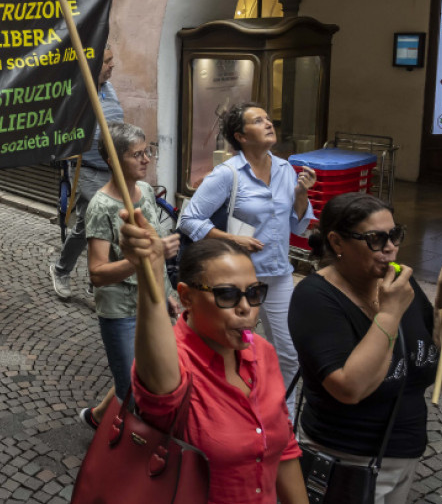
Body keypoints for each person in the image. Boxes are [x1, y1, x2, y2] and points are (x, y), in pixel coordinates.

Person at [288, 193, 442, 503]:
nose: (390, 247)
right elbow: (350, 388)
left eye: (394, 235)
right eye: (375, 238)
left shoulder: (399, 281)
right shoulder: (315, 298)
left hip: (403, 453)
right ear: (337, 242)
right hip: (345, 459)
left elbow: (430, 353)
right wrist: (388, 315)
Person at [119, 214, 308, 504]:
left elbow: (284, 448)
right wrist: (151, 274)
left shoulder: (262, 351)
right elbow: (160, 379)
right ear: (186, 297)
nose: (246, 308)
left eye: (253, 293)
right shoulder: (177, 364)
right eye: (227, 295)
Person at [179, 101, 316, 400]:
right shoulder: (228, 174)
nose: (269, 123)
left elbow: (298, 226)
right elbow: (188, 219)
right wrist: (232, 239)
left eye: (269, 119)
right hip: (236, 280)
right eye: (258, 121)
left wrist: (301, 195)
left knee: (290, 353)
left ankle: (284, 418)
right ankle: (233, 410)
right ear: (240, 136)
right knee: (233, 349)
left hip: (278, 275)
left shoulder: (285, 169)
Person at [76, 122, 179, 430]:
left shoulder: (146, 192)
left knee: (148, 374)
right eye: (136, 154)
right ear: (113, 161)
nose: (146, 159)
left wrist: (168, 294)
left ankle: (96, 417)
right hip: (121, 311)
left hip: (152, 303)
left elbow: (156, 255)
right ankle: (123, 455)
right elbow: (97, 274)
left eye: (147, 150)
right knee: (133, 390)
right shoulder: (101, 206)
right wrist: (142, 259)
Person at [49, 44, 122, 299]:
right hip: (86, 170)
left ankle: (95, 278)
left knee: (105, 225)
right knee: (91, 224)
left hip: (111, 169)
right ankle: (62, 271)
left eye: (112, 60)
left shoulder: (109, 89)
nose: (112, 65)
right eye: (107, 61)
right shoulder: (78, 91)